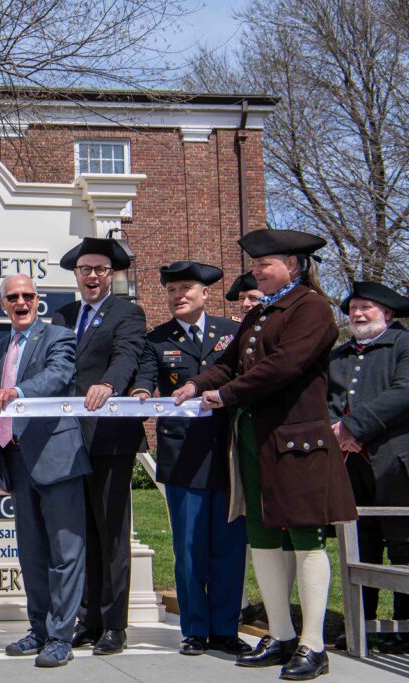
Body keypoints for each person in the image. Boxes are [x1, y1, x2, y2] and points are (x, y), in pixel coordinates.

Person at [174, 229, 357, 681]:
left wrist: (226, 395)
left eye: (263, 264)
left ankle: (313, 645)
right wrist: (197, 384)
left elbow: (285, 365)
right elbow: (229, 362)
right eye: (255, 264)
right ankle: (280, 635)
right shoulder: (262, 311)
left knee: (306, 539)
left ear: (292, 265)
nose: (255, 271)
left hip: (297, 445)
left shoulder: (311, 308)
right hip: (255, 440)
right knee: (263, 538)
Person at [130, 262, 248, 657]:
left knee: (229, 546)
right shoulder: (157, 338)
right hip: (182, 454)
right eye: (171, 290)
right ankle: (195, 629)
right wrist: (141, 392)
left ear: (204, 294)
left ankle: (226, 629)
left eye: (186, 289)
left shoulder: (232, 333)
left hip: (228, 452)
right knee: (190, 545)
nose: (178, 296)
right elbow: (146, 377)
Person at [0, 274, 89, 667]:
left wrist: (19, 392)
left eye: (27, 295)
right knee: (31, 554)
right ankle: (39, 630)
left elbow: (58, 375)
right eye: (13, 297)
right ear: (3, 304)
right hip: (15, 459)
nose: (21, 302)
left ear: (38, 299)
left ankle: (61, 637)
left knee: (65, 553)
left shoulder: (58, 336)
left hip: (57, 458)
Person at [50, 237, 146, 656]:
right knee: (81, 533)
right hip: (69, 439)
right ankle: (87, 619)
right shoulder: (64, 315)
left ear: (112, 275)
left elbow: (127, 355)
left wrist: (110, 384)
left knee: (111, 533)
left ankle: (114, 624)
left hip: (109, 438)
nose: (92, 276)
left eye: (100, 270)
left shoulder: (127, 313)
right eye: (85, 270)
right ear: (76, 275)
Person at [328, 281, 409, 654]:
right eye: (353, 308)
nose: (357, 314)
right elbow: (328, 400)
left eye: (366, 308)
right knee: (361, 544)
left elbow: (403, 392)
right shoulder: (340, 354)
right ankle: (361, 624)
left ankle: (404, 628)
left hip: (395, 461)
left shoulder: (403, 345)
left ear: (387, 313)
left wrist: (354, 428)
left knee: (404, 545)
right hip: (350, 461)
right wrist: (337, 430)